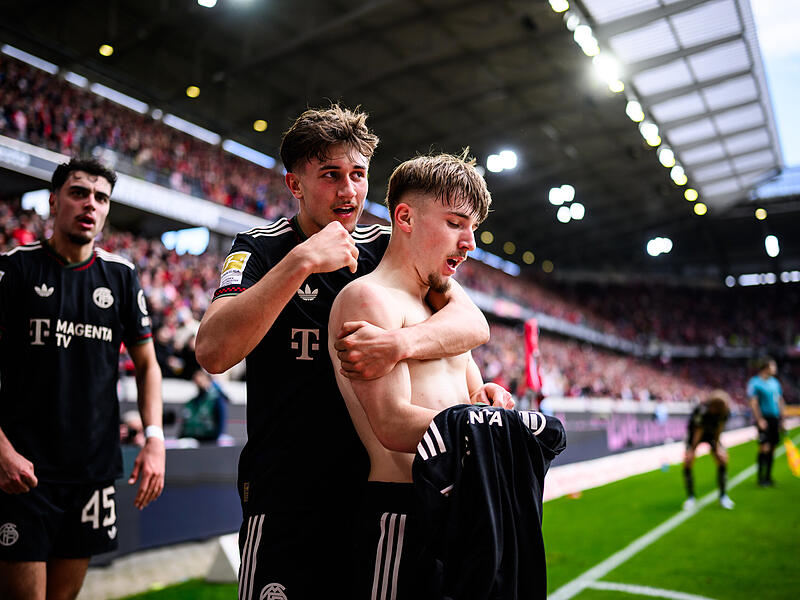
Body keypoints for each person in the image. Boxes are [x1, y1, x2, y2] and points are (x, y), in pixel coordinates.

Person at [194, 106, 491, 600]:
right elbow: (213, 350)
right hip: (289, 491)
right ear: (295, 184)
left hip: (371, 496)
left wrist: (398, 344)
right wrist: (303, 261)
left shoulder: (387, 247)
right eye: (330, 175)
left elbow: (470, 322)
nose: (349, 191)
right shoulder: (262, 248)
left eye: (358, 174)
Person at [328, 152, 563, 598]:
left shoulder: (441, 306)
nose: (470, 242)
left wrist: (489, 401)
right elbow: (393, 424)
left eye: (473, 228)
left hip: (465, 510)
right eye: (456, 223)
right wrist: (494, 429)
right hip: (403, 513)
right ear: (405, 217)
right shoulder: (370, 299)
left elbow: (471, 395)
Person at [0, 158, 165, 600]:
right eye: (78, 193)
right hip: (22, 471)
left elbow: (148, 364)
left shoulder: (122, 277)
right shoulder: (13, 270)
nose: (90, 204)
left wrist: (154, 438)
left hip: (91, 474)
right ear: (53, 201)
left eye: (101, 197)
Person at [682, 389, 734, 510]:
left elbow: (719, 430)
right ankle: (690, 497)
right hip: (695, 435)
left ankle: (723, 497)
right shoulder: (702, 411)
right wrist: (692, 450)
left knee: (722, 459)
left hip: (712, 435)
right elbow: (698, 432)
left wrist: (717, 447)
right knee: (688, 462)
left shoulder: (725, 412)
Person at [747, 357, 785, 487]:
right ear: (766, 367)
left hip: (775, 418)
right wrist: (759, 419)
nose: (775, 369)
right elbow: (753, 402)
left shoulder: (775, 383)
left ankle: (768, 477)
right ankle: (760, 477)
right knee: (764, 447)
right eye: (773, 366)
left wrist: (782, 419)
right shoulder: (755, 382)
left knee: (773, 447)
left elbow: (780, 400)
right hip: (764, 418)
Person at [178, 368, 227, 442]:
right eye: (196, 378)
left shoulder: (216, 400)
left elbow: (220, 422)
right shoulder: (191, 402)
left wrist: (215, 439)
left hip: (209, 440)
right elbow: (185, 424)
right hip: (191, 440)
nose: (199, 381)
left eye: (201, 377)